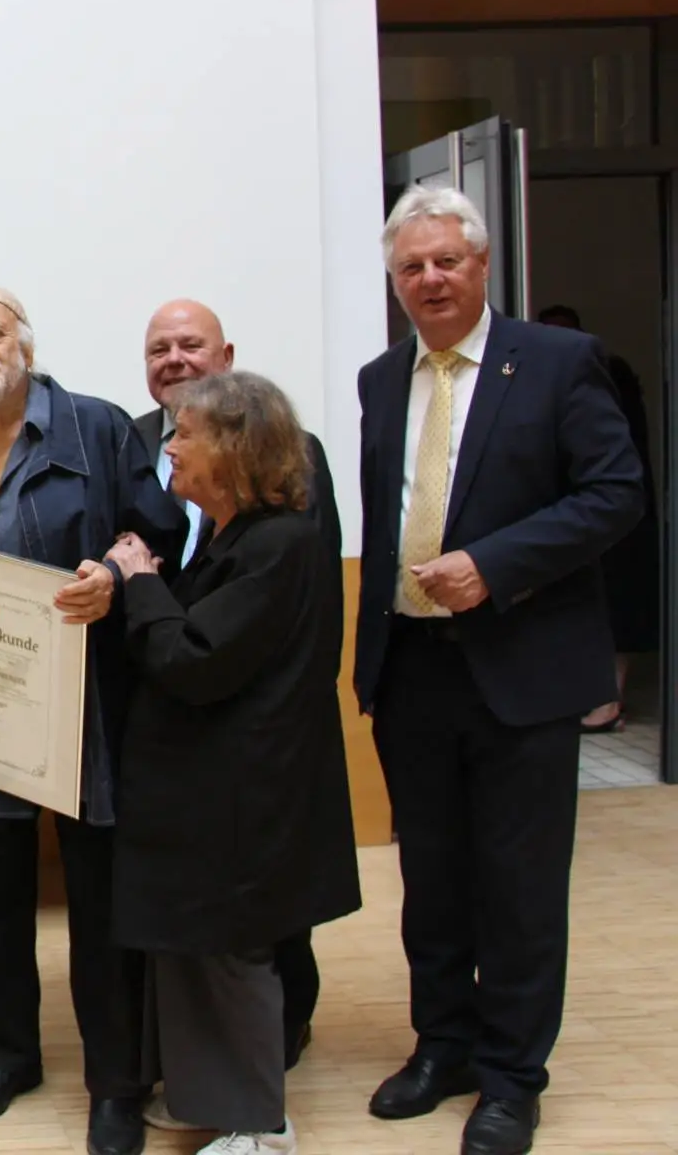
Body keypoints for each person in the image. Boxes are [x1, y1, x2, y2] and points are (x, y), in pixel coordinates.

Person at [357, 187, 642, 1155]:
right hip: (412, 667)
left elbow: (617, 493)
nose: (429, 278)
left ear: (481, 266)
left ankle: (514, 1076)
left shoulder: (558, 363)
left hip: (522, 666)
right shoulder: (380, 378)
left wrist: (498, 564)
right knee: (432, 879)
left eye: (445, 260)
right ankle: (444, 1045)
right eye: (411, 267)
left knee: (519, 886)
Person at [0, 285, 185, 1155]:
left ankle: (117, 1083)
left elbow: (161, 531)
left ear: (26, 346)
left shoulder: (98, 429)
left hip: (86, 710)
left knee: (101, 902)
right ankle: (3, 1057)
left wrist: (111, 571)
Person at [104, 371, 362, 1155]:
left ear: (234, 450)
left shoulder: (278, 543)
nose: (170, 449)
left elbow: (193, 659)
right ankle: (205, 1098)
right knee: (190, 953)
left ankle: (260, 1126)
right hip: (208, 797)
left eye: (184, 436)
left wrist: (141, 583)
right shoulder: (231, 533)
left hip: (244, 800)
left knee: (232, 963)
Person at [136, 298, 346, 1071]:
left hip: (255, 741)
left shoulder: (290, 487)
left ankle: (264, 1073)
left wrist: (141, 588)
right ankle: (214, 1075)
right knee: (208, 932)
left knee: (255, 930)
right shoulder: (133, 443)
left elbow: (296, 619)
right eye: (159, 347)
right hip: (182, 741)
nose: (174, 359)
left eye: (190, 344)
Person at [534, 304, 658, 732]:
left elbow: (618, 464)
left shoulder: (603, 374)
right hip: (565, 514)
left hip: (611, 513)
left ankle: (609, 701)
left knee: (620, 605)